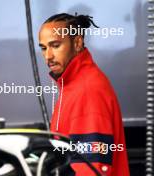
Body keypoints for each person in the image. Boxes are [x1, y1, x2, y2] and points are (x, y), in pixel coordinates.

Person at [38, 13, 130, 176]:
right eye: (44, 48)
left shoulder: (87, 92)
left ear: (77, 43)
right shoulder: (74, 85)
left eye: (56, 45)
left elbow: (89, 169)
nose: (48, 56)